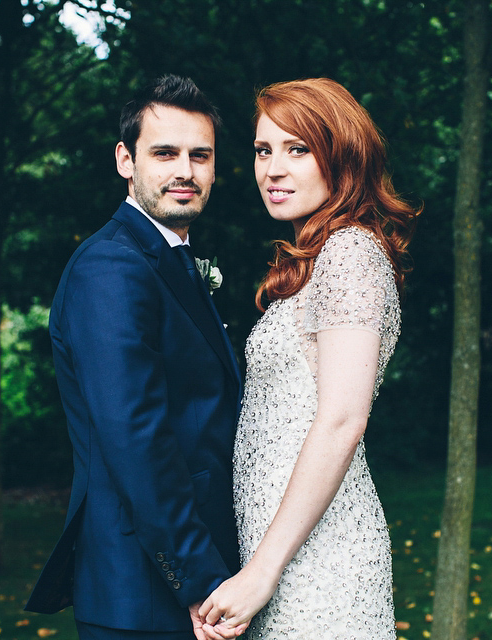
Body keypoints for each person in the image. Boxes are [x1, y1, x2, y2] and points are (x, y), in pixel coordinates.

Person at [197, 78, 421, 639]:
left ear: (341, 156)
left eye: (297, 149)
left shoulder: (348, 253)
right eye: (262, 150)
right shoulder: (315, 261)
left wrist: (261, 573)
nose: (273, 169)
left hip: (317, 562)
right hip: (279, 554)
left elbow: (343, 419)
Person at [24, 75, 243, 640]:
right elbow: (135, 438)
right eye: (164, 153)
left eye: (201, 155)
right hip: (146, 594)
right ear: (125, 159)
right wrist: (199, 581)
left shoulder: (170, 258)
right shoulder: (111, 269)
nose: (185, 171)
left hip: (183, 579)